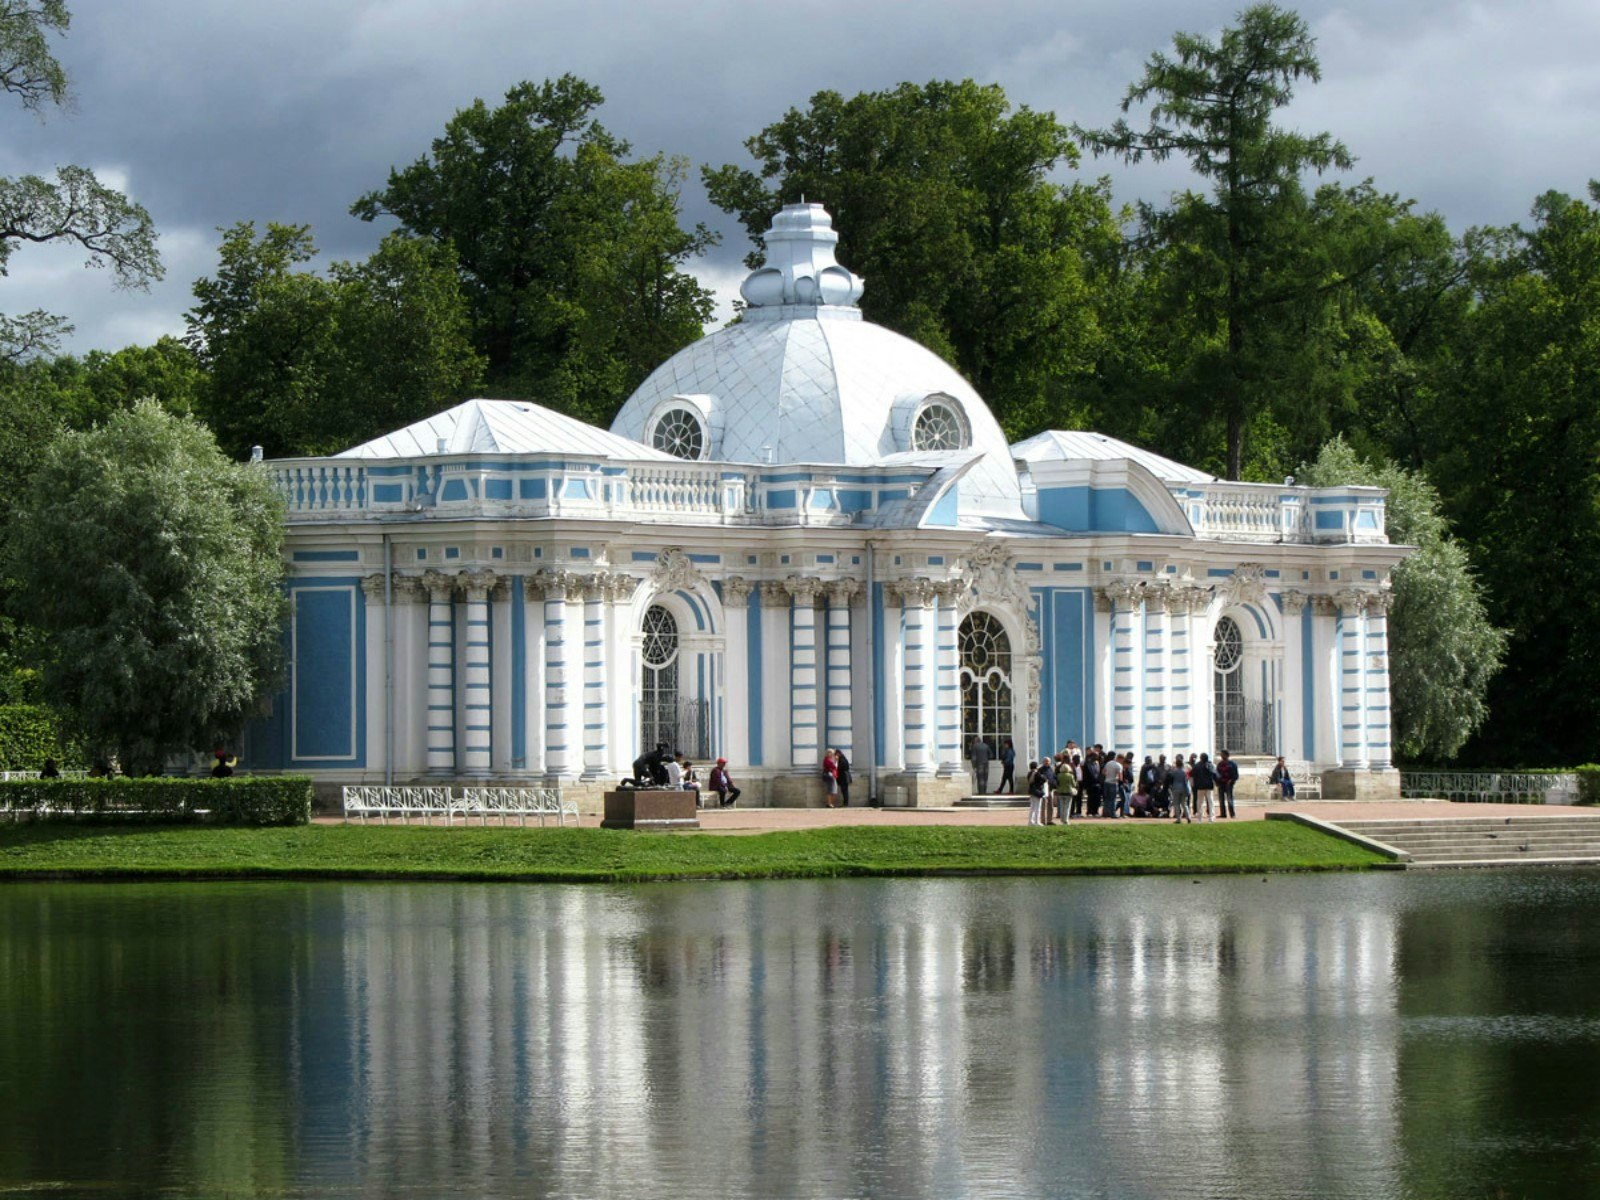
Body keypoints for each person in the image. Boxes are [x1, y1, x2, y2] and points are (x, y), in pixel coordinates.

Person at [1189, 752, 1216, 824]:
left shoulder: (1197, 766)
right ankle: (1211, 817)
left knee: (1200, 802)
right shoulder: (1211, 765)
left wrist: (1193, 784)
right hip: (1209, 786)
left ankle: (1199, 818)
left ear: (1201, 758)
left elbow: (1191, 774)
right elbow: (1214, 774)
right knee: (1210, 801)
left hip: (1200, 786)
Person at [1168, 753, 1192, 824]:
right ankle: (1188, 817)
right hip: (1184, 789)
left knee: (1176, 804)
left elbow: (1171, 779)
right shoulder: (1185, 772)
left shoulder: (1174, 772)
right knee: (1184, 804)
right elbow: (1186, 780)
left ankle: (1178, 818)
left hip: (1176, 788)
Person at [1216, 750, 1239, 819]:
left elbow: (1236, 775)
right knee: (1221, 799)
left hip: (1229, 784)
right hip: (1221, 784)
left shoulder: (1232, 764)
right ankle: (1223, 814)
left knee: (1229, 799)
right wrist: (1217, 782)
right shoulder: (1220, 764)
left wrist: (1231, 780)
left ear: (1227, 755)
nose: (1221, 756)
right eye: (1221, 754)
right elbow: (1217, 774)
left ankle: (1232, 814)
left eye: (1222, 754)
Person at [1102, 752, 1125, 818]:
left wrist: (1108, 776)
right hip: (1113, 783)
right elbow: (1120, 777)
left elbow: (1103, 772)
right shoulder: (1119, 765)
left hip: (1106, 782)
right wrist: (1118, 779)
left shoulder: (1108, 763)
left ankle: (1105, 813)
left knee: (1106, 799)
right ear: (1121, 759)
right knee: (1112, 799)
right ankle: (1112, 813)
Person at [1026, 760, 1045, 826]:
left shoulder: (1029, 773)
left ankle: (1030, 821)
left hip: (1031, 791)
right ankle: (1037, 821)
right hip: (1037, 791)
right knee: (1038, 807)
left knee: (1032, 807)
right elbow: (1044, 779)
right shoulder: (1037, 773)